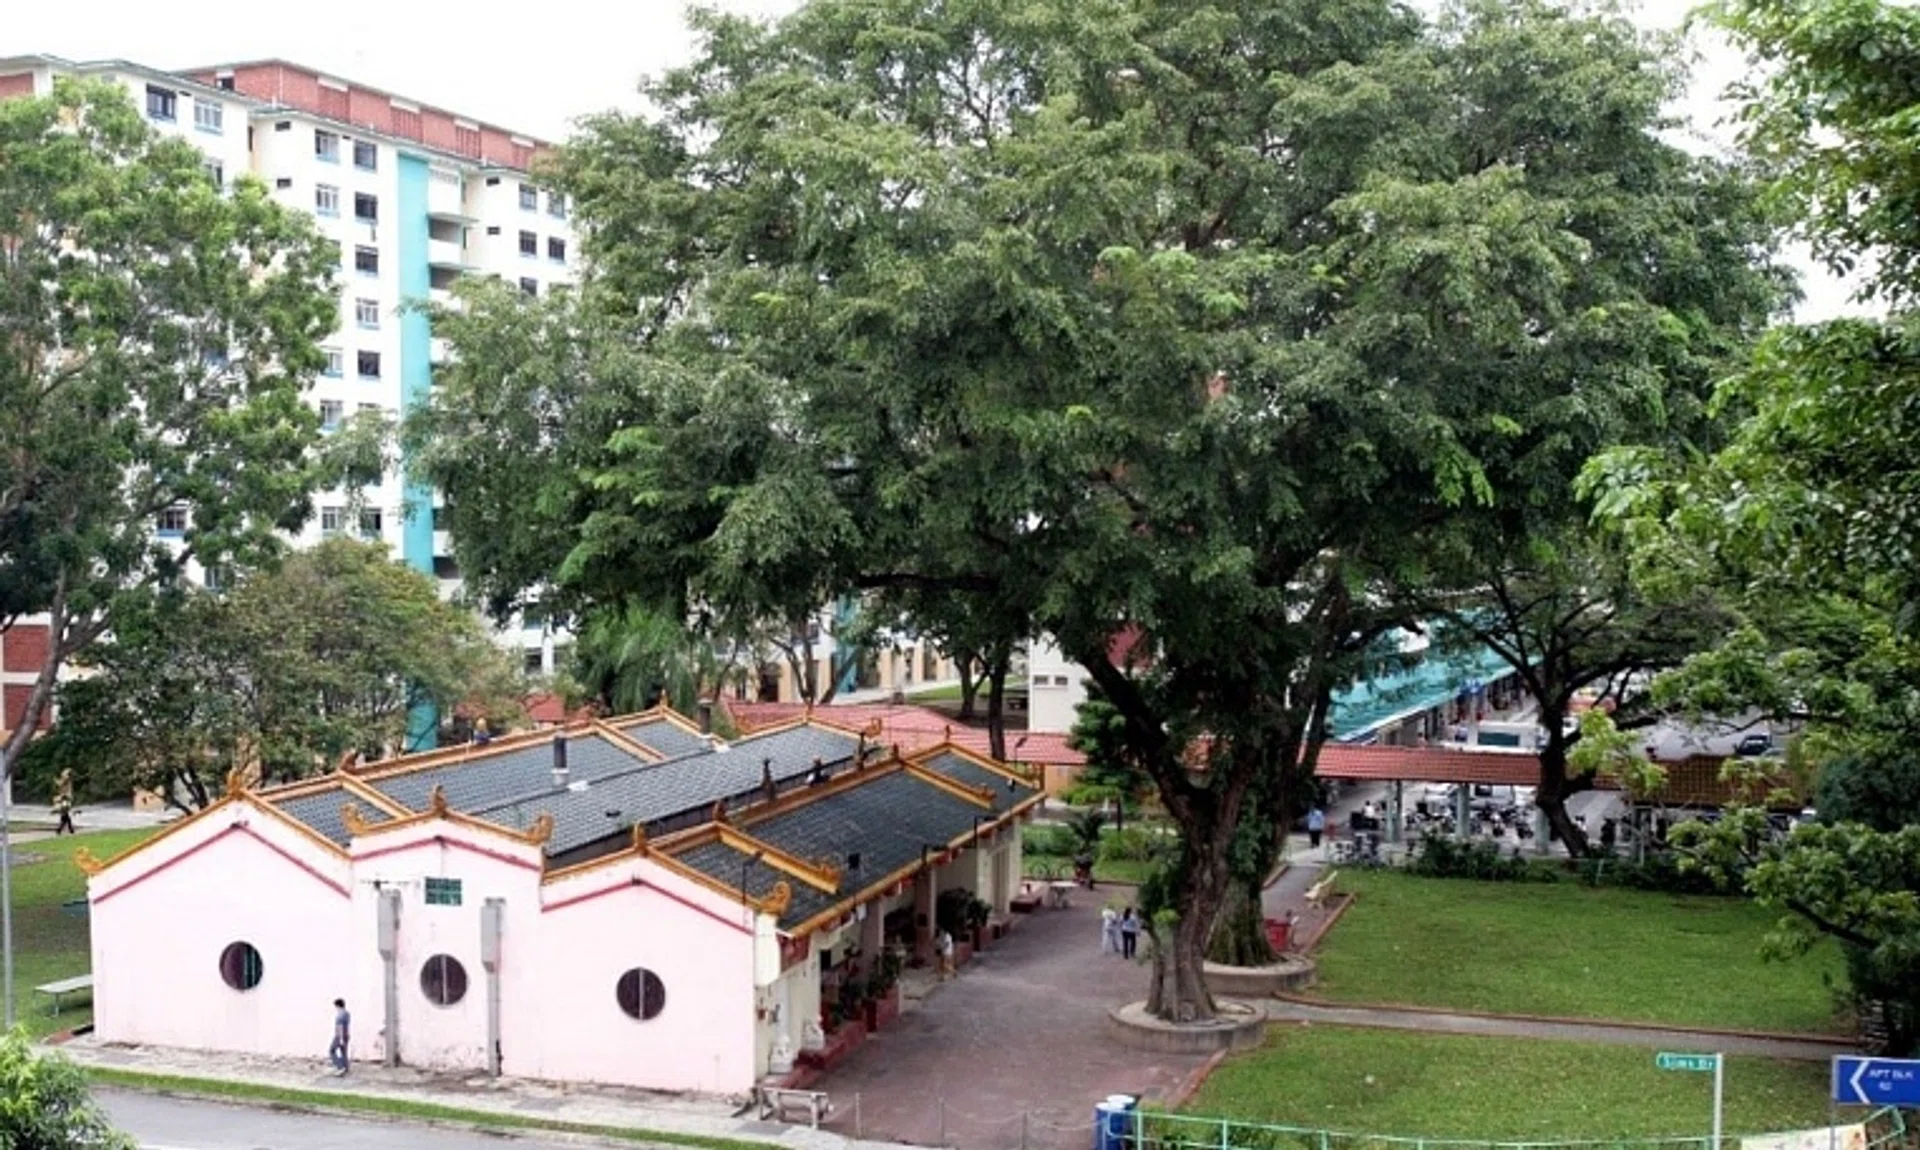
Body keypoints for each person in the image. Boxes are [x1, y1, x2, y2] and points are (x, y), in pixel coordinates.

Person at [328, 998, 351, 1076]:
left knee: (331, 1050)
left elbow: (340, 1026)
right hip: (346, 1035)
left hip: (339, 1036)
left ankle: (340, 1067)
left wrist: (340, 1038)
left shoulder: (339, 1015)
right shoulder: (347, 1013)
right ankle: (346, 1067)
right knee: (344, 1052)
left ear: (337, 1005)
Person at [51, 769, 75, 836]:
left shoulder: (66, 780)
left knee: (64, 814)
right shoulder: (66, 780)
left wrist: (54, 779)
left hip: (65, 798)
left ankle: (60, 829)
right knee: (65, 814)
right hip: (65, 798)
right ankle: (69, 829)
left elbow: (59, 784)